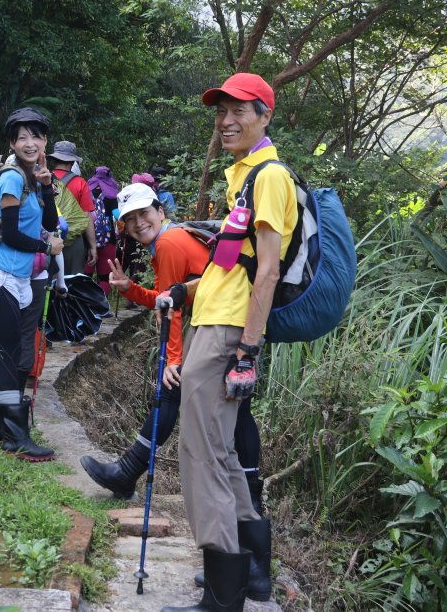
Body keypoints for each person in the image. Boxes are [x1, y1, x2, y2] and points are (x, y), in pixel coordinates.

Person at [159, 73, 296, 612]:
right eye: (221, 111)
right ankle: (251, 577)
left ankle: (221, 595)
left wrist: (248, 351)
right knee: (217, 451)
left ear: (265, 115)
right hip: (213, 319)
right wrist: (185, 289)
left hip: (228, 333)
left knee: (201, 456)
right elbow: (230, 266)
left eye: (240, 110)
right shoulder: (243, 176)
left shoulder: (269, 177)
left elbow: (266, 273)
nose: (227, 119)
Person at [79, 183, 265, 518]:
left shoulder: (168, 242)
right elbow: (171, 296)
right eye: (130, 219)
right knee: (236, 409)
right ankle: (250, 498)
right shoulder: (171, 239)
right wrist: (131, 289)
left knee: (174, 392)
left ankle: (128, 472)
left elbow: (172, 311)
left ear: (160, 211)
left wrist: (173, 361)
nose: (138, 223)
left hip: (226, 323)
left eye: (144, 213)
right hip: (234, 319)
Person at [0, 107, 65, 462]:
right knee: (9, 355)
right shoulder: (12, 177)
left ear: (45, 141)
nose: (30, 143)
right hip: (3, 277)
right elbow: (10, 233)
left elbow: (50, 219)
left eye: (36, 136)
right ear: (12, 142)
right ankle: (16, 437)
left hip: (15, 277)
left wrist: (46, 187)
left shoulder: (31, 177)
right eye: (22, 137)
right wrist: (46, 246)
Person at [49, 141, 97, 275]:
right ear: (72, 162)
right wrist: (93, 247)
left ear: (53, 159)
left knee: (46, 280)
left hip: (46, 237)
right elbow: (86, 218)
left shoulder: (43, 179)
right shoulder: (80, 183)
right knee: (71, 281)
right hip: (72, 241)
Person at [85, 165, 120, 294]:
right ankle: (102, 304)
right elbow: (117, 215)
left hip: (88, 238)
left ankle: (84, 303)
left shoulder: (87, 191)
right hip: (108, 238)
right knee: (105, 275)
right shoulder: (111, 193)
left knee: (86, 274)